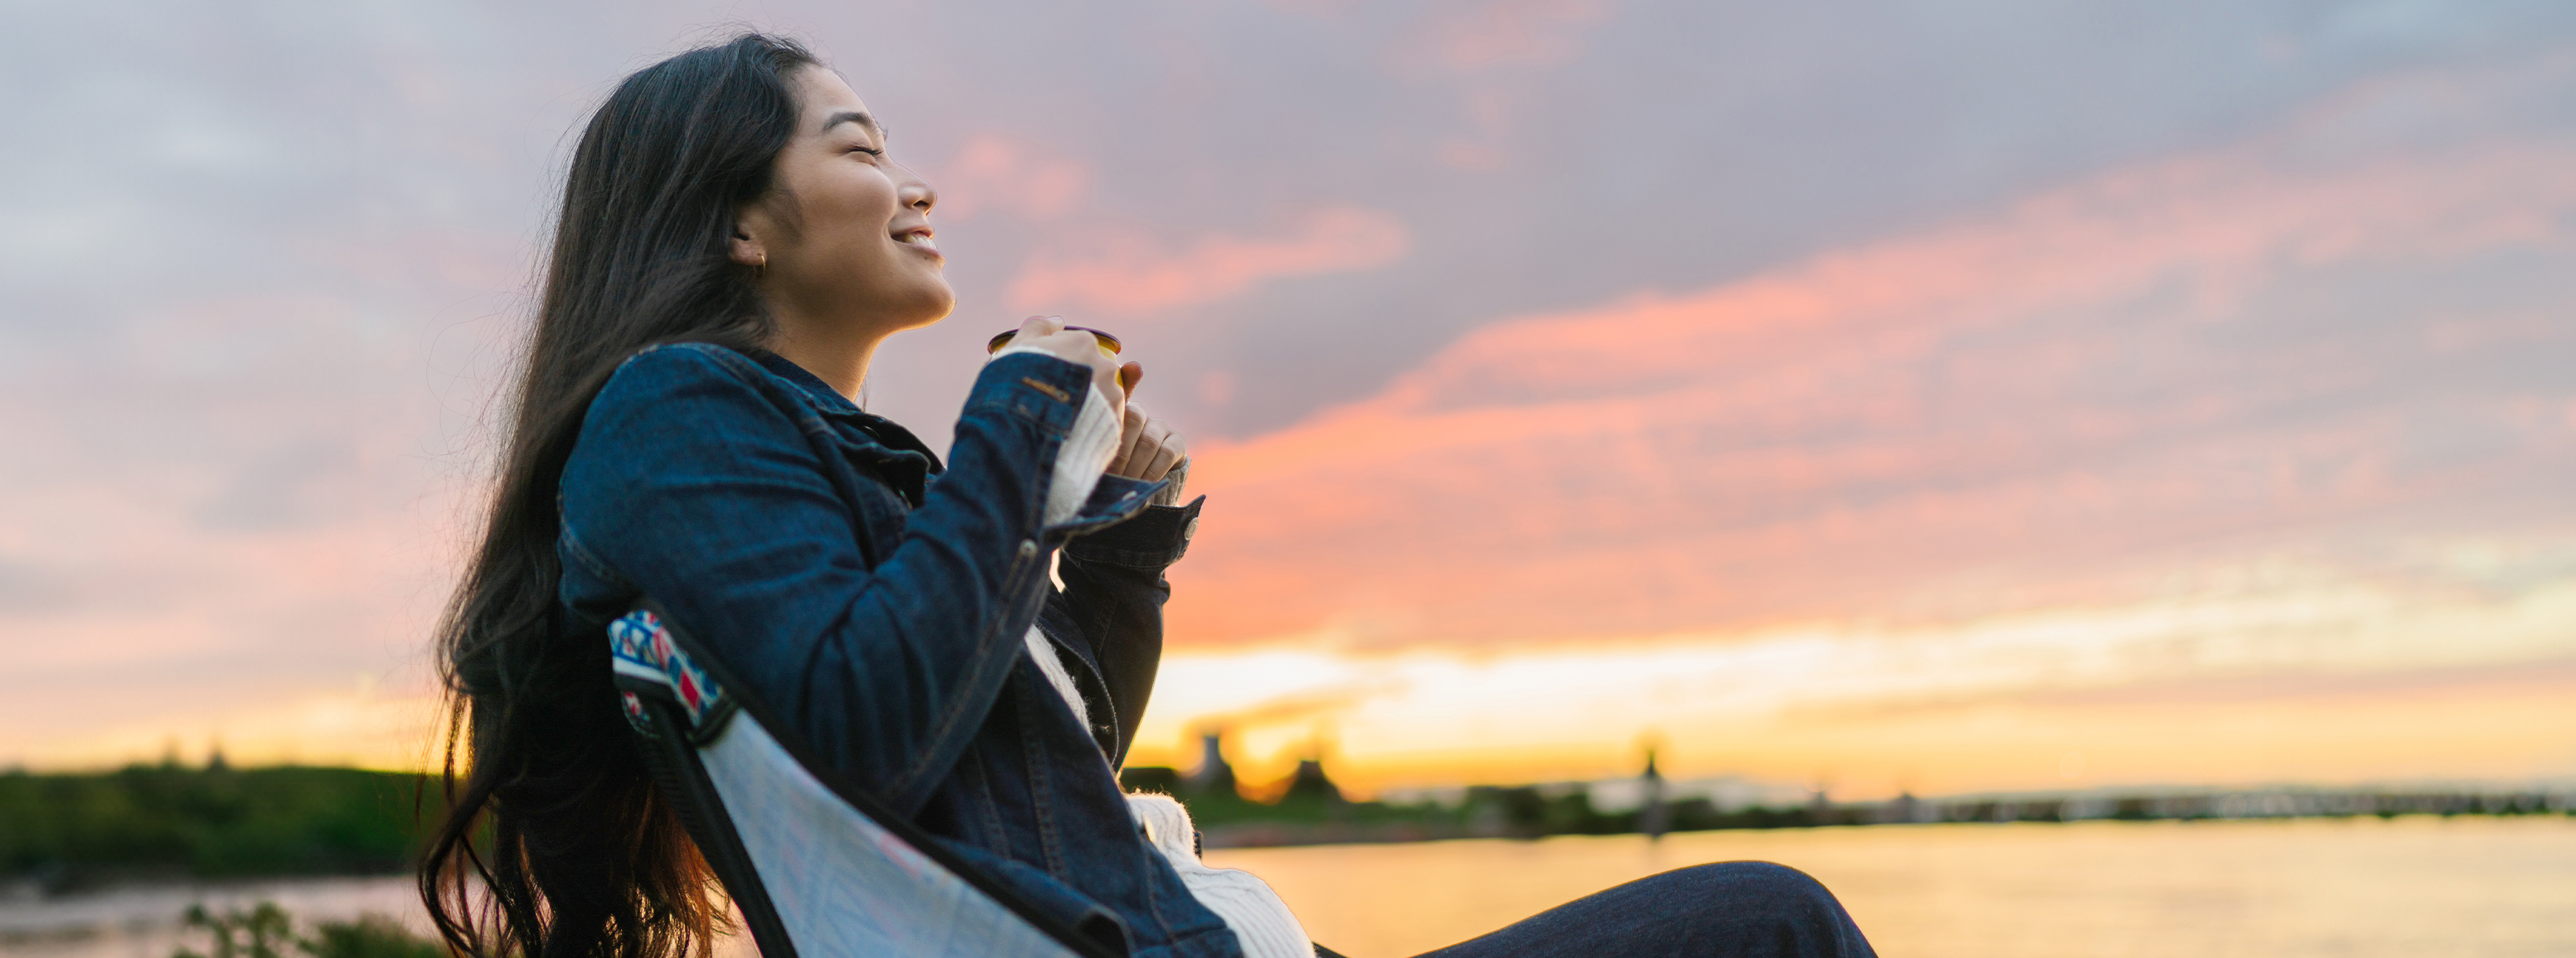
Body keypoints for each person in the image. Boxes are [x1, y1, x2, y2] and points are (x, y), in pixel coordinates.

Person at [417, 32, 1876, 958]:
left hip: (1180, 937)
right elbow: (865, 728)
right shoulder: (672, 412)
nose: (916, 188)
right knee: (1769, 925)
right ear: (735, 220)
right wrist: (1028, 399)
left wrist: (1124, 551)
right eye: (858, 147)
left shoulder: (817, 460)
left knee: (1758, 917)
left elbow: (1044, 769)